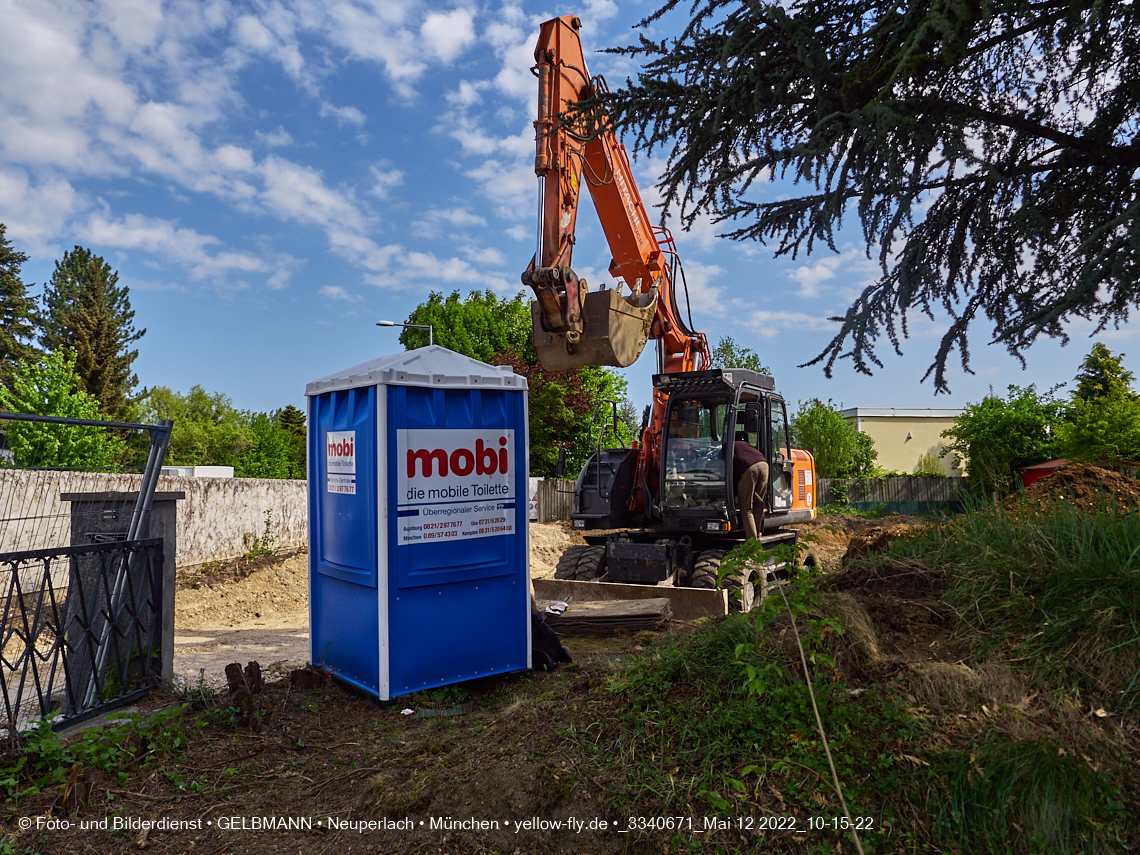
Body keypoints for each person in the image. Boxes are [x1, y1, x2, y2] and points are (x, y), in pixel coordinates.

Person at [733, 440, 768, 541]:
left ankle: (752, 541)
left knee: (746, 509)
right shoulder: (745, 445)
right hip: (764, 465)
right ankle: (759, 533)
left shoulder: (728, 445)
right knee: (758, 502)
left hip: (749, 468)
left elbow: (729, 470)